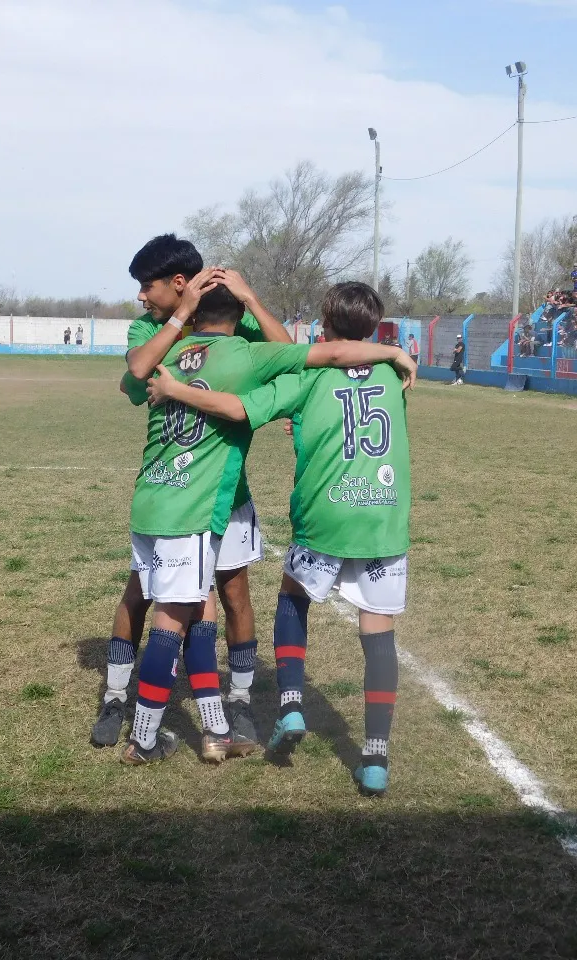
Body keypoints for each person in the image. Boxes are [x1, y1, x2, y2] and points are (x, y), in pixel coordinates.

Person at [120, 278, 416, 766]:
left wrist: (173, 382)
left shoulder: (164, 353)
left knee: (224, 605)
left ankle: (256, 714)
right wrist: (394, 352)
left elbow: (148, 384)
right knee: (182, 617)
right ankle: (375, 756)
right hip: (369, 516)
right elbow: (313, 371)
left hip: (165, 498)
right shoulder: (389, 374)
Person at [91, 234, 291, 755]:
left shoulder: (229, 321)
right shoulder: (150, 329)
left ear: (179, 282)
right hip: (178, 496)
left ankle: (235, 702)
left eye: (147, 286)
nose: (141, 297)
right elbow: (134, 378)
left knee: (229, 595)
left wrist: (250, 300)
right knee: (144, 593)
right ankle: (117, 698)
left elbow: (286, 352)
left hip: (226, 491)